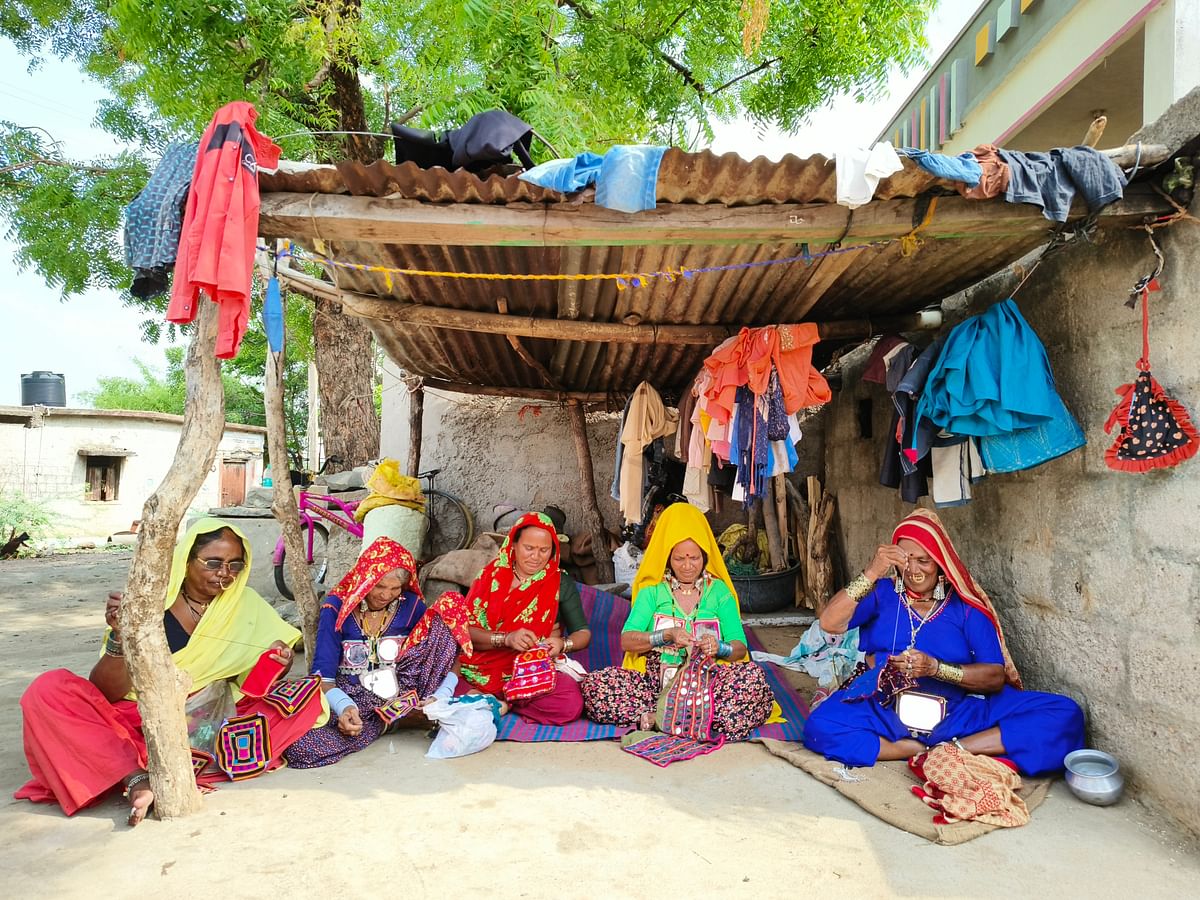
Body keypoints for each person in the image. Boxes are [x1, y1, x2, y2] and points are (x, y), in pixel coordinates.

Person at [15, 518, 325, 825]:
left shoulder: (246, 604)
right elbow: (107, 692)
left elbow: (250, 684)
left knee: (306, 697)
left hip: (201, 720)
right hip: (132, 719)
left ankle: (127, 764)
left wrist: (277, 662)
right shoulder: (148, 601)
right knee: (48, 690)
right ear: (187, 559)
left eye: (235, 565)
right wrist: (123, 636)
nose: (224, 574)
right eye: (213, 562)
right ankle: (136, 777)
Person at [802, 509, 1084, 776]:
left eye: (923, 560)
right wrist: (873, 572)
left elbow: (995, 677)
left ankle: (952, 750)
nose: (913, 570)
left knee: (1064, 713)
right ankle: (908, 749)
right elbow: (829, 622)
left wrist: (936, 669)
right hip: (885, 707)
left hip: (954, 713)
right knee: (820, 727)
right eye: (905, 560)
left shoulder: (965, 608)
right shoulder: (882, 593)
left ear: (941, 564)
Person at [582, 502, 775, 740]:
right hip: (655, 685)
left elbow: (740, 648)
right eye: (679, 558)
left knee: (752, 681)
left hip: (709, 683)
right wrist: (665, 636)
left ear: (704, 555)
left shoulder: (720, 592)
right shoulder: (652, 592)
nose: (687, 566)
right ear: (667, 557)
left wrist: (719, 647)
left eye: (694, 558)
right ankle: (685, 717)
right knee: (596, 687)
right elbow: (627, 641)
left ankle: (662, 718)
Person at [284, 537, 471, 768]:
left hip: (405, 691)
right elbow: (324, 680)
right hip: (354, 696)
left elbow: (449, 653)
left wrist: (440, 696)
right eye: (379, 586)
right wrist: (345, 708)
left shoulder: (410, 604)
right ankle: (394, 722)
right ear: (364, 579)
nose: (386, 595)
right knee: (300, 746)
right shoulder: (335, 607)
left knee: (451, 606)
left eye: (394, 588)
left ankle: (413, 713)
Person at [458, 512, 592, 725]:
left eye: (544, 550)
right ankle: (500, 699)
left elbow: (583, 633)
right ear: (513, 545)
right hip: (479, 667)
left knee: (570, 704)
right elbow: (463, 633)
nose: (536, 557)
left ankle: (498, 701)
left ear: (553, 551)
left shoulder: (560, 583)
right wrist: (506, 639)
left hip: (529, 672)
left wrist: (562, 643)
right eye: (529, 548)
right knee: (443, 679)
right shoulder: (489, 577)